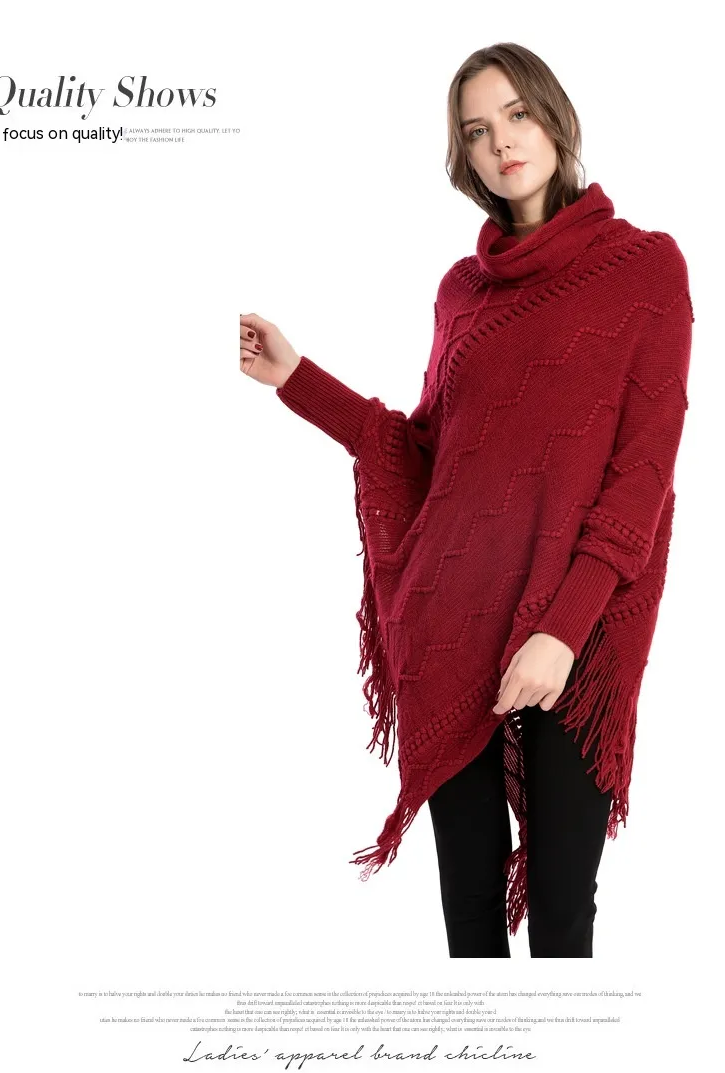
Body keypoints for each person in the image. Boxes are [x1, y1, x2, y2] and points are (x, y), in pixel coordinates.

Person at [239, 42, 694, 957]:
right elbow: (426, 454)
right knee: (470, 911)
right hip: (458, 619)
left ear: (555, 118)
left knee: (562, 909)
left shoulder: (645, 267)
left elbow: (642, 475)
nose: (501, 143)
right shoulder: (463, 291)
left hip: (582, 624)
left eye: (516, 115)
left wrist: (561, 629)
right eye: (477, 131)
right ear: (465, 156)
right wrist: (296, 378)